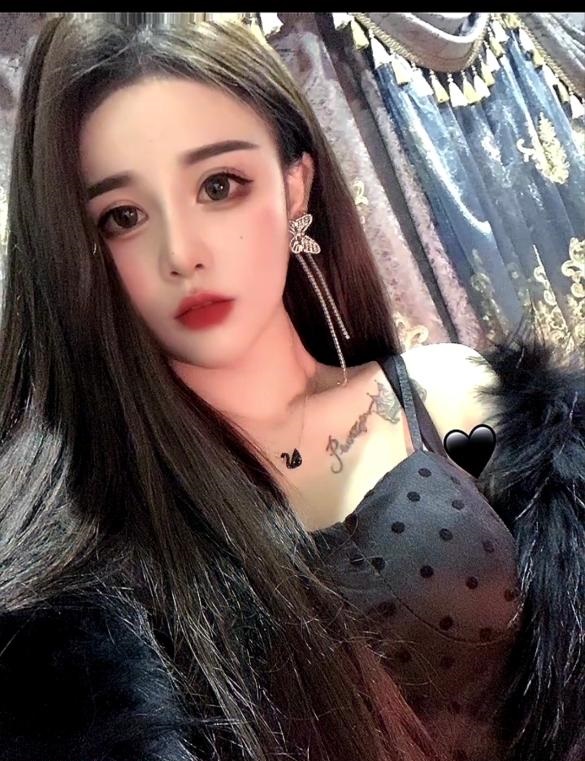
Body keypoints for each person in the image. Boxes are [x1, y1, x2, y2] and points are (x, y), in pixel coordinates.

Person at [0, 14, 583, 761]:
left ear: (295, 185)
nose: (181, 252)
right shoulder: (88, 532)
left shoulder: (452, 395)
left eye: (219, 185)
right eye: (124, 216)